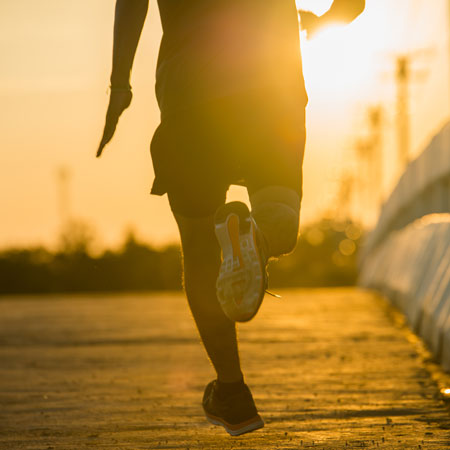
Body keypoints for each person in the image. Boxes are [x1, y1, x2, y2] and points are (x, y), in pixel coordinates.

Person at [97, 0, 365, 436]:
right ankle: (255, 237)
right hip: (272, 88)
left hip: (191, 91)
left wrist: (119, 84)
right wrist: (325, 21)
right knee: (279, 217)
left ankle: (232, 392)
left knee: (200, 243)